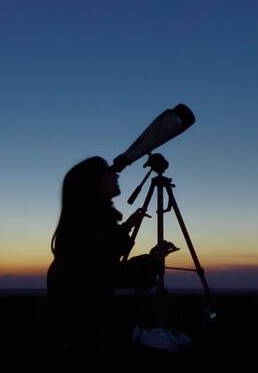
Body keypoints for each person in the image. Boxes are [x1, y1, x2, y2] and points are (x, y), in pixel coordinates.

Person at [46, 156, 178, 369]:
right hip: (84, 333)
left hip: (79, 326)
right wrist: (154, 259)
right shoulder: (87, 226)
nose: (116, 175)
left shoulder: (86, 221)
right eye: (108, 172)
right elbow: (108, 274)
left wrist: (127, 226)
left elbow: (103, 252)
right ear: (92, 183)